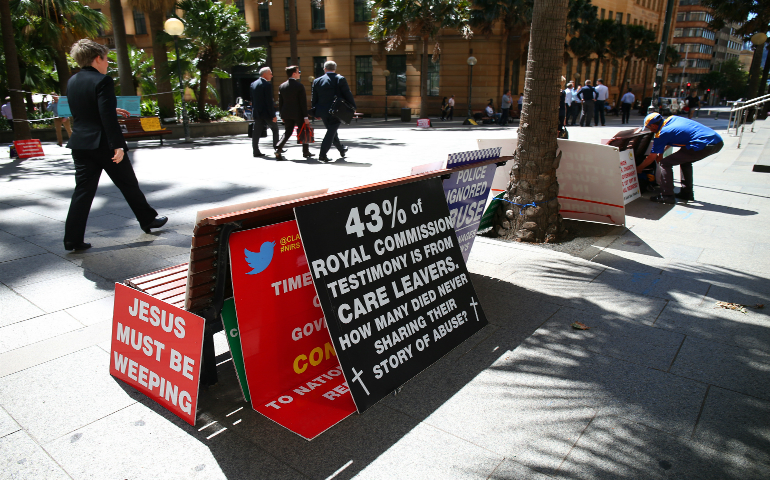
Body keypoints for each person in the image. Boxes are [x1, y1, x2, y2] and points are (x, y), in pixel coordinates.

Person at [63, 39, 166, 251]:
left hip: (80, 144)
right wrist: (118, 145)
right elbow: (105, 118)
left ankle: (72, 239)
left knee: (82, 192)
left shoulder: (72, 81)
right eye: (106, 59)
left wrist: (112, 109)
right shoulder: (103, 81)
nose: (108, 63)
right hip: (104, 144)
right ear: (97, 58)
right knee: (128, 183)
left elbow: (84, 110)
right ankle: (147, 220)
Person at [637, 113, 723, 204]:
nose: (650, 130)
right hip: (717, 141)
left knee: (665, 163)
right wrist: (659, 157)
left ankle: (667, 195)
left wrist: (639, 168)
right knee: (685, 161)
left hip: (703, 144)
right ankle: (686, 193)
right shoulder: (672, 119)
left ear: (654, 125)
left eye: (649, 127)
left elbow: (651, 157)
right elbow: (669, 142)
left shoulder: (662, 133)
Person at [311, 60, 356, 163]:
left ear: (324, 69)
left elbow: (314, 98)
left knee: (332, 131)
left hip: (322, 111)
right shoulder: (340, 79)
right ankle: (322, 154)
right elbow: (347, 93)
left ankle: (341, 149)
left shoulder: (317, 81)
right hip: (337, 111)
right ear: (335, 69)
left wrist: (315, 112)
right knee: (331, 132)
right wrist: (353, 107)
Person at [276, 65, 313, 160]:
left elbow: (281, 102)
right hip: (298, 114)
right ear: (294, 73)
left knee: (288, 132)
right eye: (298, 72)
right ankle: (305, 152)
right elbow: (303, 103)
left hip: (286, 113)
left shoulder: (282, 86)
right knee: (304, 131)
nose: (300, 73)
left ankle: (279, 148)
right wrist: (306, 117)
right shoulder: (299, 86)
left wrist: (281, 115)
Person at [250, 67, 280, 158]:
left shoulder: (253, 84)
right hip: (266, 113)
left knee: (256, 133)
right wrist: (273, 115)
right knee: (275, 129)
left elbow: (253, 99)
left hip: (257, 113)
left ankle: (255, 151)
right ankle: (277, 148)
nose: (272, 75)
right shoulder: (267, 85)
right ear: (264, 74)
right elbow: (269, 102)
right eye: (270, 73)